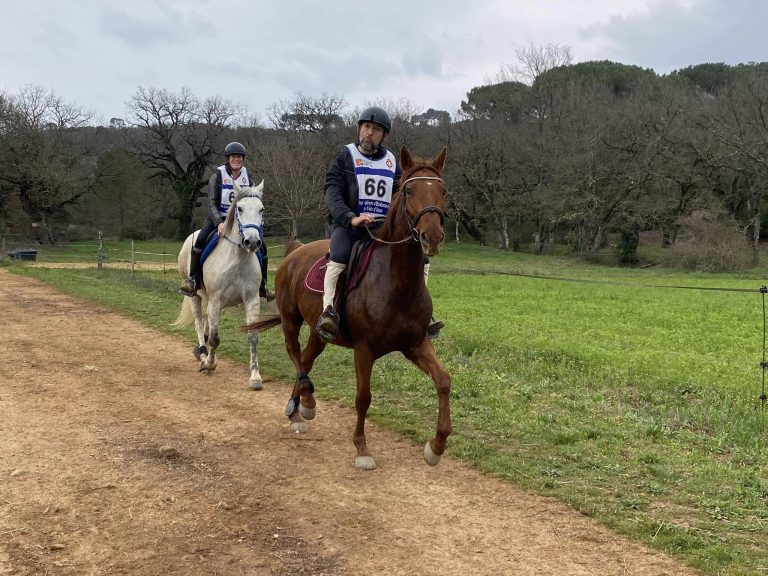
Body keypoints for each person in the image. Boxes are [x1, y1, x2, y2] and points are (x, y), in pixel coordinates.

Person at [316, 106, 443, 341]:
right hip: (352, 226)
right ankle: (328, 312)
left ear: (383, 135)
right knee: (339, 256)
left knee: (421, 259)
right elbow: (332, 192)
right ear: (359, 129)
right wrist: (350, 218)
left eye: (375, 130)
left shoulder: (391, 162)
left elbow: (404, 195)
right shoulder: (345, 156)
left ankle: (423, 314)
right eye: (366, 127)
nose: (369, 133)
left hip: (383, 229)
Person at [179, 141, 274, 300]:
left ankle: (263, 285)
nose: (236, 160)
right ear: (228, 159)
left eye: (239, 157)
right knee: (200, 241)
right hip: (218, 217)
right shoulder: (217, 176)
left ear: (242, 159)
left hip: (239, 218)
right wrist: (219, 223)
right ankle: (193, 280)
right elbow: (211, 202)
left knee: (262, 245)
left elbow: (250, 200)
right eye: (233, 157)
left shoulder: (247, 176)